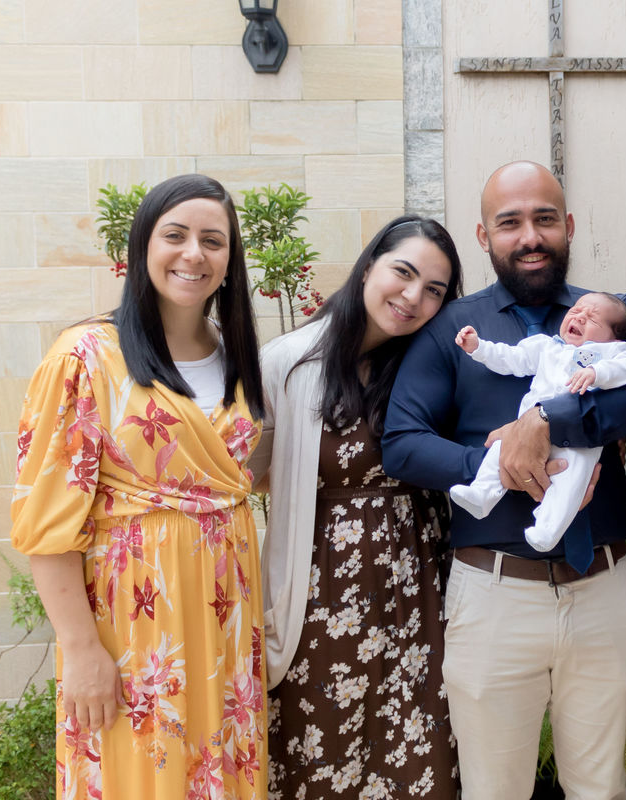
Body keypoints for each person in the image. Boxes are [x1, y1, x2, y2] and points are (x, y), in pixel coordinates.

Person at [382, 161, 626, 798]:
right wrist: (499, 465)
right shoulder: (449, 330)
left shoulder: (617, 316)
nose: (530, 236)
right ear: (484, 237)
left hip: (604, 589)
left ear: (568, 226)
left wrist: (548, 420)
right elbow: (402, 444)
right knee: (494, 790)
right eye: (510, 222)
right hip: (493, 596)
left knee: (601, 788)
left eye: (545, 218)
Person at [11, 174, 268, 797]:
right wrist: (80, 650)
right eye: (175, 235)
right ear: (141, 247)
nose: (194, 254)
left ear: (230, 261)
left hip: (228, 623)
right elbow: (45, 524)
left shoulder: (236, 356)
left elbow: (238, 480)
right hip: (131, 630)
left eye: (213, 240)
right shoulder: (87, 357)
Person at [253, 215, 463, 798]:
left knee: (420, 756)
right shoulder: (290, 362)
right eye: (403, 272)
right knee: (321, 752)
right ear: (370, 265)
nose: (412, 297)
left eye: (435, 290)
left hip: (422, 594)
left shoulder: (432, 366)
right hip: (321, 600)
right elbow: (251, 470)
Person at [450, 291, 626, 552]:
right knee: (500, 450)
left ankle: (548, 528)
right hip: (526, 430)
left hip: (580, 436)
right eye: (576, 310)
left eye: (593, 318)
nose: (580, 316)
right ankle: (482, 494)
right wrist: (479, 348)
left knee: (572, 481)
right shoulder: (546, 346)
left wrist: (597, 372)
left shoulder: (611, 351)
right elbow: (511, 358)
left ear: (612, 335)